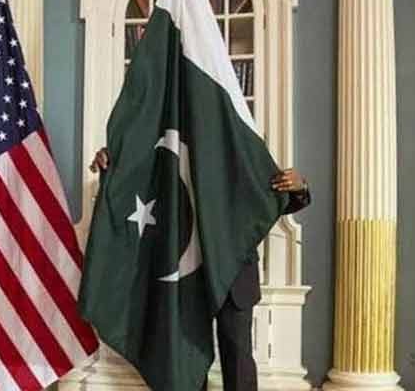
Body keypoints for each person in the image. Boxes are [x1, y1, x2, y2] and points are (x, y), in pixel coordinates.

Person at [89, 148, 311, 391]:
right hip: (189, 274)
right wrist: (114, 161)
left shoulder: (238, 146)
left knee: (238, 358)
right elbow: (140, 182)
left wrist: (300, 187)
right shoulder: (176, 146)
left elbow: (272, 197)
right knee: (189, 360)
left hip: (235, 274)